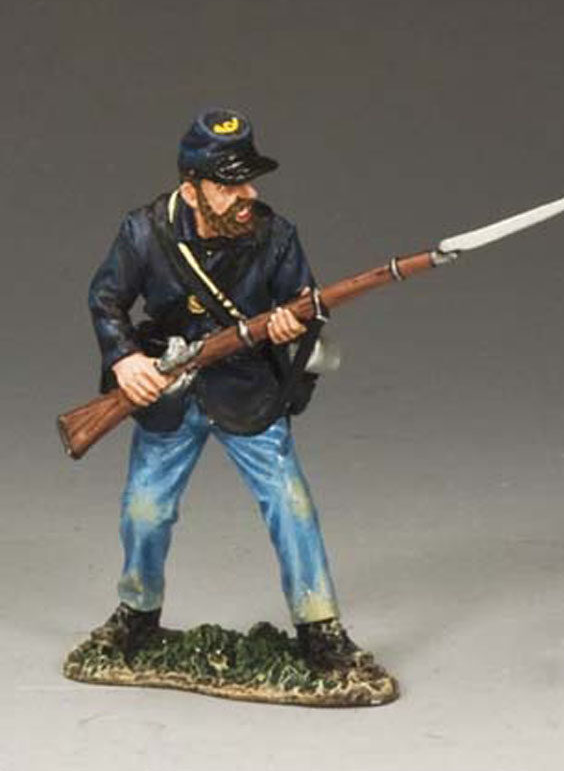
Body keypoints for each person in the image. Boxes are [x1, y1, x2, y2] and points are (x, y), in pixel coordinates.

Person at [86, 108, 372, 671]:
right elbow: (106, 299)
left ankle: (319, 626)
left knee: (291, 506)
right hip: (169, 391)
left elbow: (306, 306)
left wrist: (292, 327)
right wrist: (125, 360)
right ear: (192, 187)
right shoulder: (144, 232)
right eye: (229, 184)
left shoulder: (275, 235)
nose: (248, 194)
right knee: (144, 510)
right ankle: (137, 613)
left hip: (246, 388)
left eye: (248, 181)